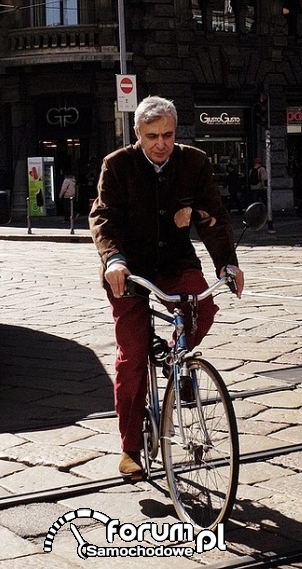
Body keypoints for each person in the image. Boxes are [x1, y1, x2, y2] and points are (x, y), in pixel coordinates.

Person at [89, 95, 244, 481]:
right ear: (137, 134)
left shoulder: (194, 162)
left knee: (204, 305)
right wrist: (113, 260)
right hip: (130, 270)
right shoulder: (117, 165)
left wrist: (228, 262)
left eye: (168, 135)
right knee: (132, 356)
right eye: (152, 135)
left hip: (176, 263)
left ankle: (179, 361)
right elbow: (103, 217)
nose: (161, 143)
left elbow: (212, 217)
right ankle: (130, 448)